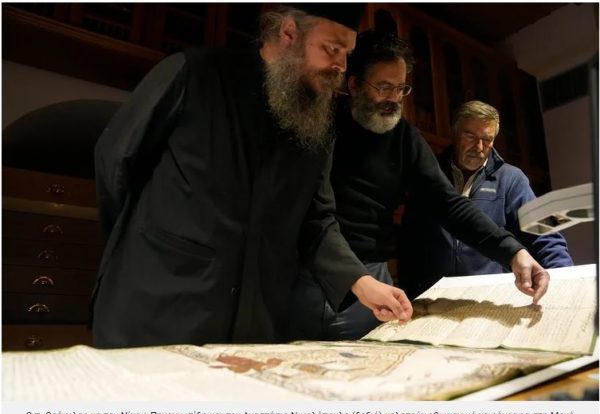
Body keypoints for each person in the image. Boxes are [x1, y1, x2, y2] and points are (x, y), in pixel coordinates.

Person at [92, 4, 414, 348]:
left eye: (346, 54)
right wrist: (139, 251)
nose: (342, 66)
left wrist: (362, 282)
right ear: (289, 33)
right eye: (332, 49)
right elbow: (116, 162)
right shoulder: (194, 73)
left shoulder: (316, 121)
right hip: (159, 306)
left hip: (252, 324)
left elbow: (316, 221)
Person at [286, 24, 550, 341]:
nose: (394, 100)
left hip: (373, 272)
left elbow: (448, 203)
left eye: (401, 89)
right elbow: (314, 218)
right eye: (384, 88)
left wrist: (512, 252)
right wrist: (356, 279)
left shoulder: (404, 137)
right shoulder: (321, 124)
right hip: (311, 270)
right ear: (353, 84)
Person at [398, 100, 573, 298]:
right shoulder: (430, 176)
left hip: (491, 296)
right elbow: (409, 241)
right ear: (454, 132)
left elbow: (545, 234)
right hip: (434, 296)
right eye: (470, 136)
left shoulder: (511, 179)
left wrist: (564, 281)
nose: (479, 147)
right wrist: (409, 293)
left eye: (487, 139)